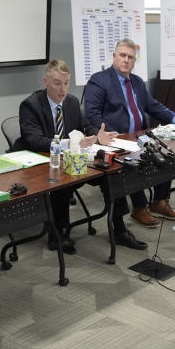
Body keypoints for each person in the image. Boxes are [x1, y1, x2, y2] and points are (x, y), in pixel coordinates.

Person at [84, 38, 175, 244]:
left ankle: (160, 202)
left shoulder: (136, 82)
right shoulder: (99, 80)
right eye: (122, 56)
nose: (126, 60)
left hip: (139, 136)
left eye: (130, 57)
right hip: (117, 140)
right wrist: (104, 133)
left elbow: (153, 105)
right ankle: (139, 207)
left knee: (165, 154)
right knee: (134, 164)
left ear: (134, 61)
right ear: (114, 57)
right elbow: (91, 114)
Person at [16, 59, 119, 254]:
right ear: (45, 81)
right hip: (39, 162)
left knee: (110, 172)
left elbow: (85, 126)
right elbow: (34, 140)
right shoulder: (30, 105)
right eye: (57, 83)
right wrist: (70, 144)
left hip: (69, 160)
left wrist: (97, 135)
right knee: (61, 181)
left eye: (66, 83)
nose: (62, 89)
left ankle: (119, 226)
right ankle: (58, 234)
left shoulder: (71, 102)